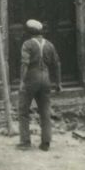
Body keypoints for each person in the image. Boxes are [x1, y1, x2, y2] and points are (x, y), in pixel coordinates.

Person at [17, 19, 62, 151]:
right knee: (45, 112)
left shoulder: (27, 44)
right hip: (46, 79)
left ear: (29, 32)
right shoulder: (49, 45)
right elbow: (57, 64)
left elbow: (24, 64)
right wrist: (58, 83)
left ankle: (25, 142)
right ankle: (45, 143)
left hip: (31, 78)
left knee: (23, 110)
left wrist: (21, 82)